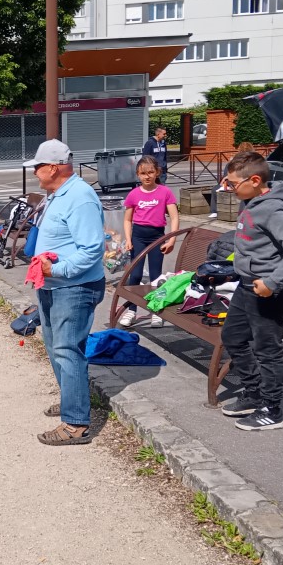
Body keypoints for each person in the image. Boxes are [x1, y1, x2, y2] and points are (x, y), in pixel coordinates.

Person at [219, 151, 283, 432]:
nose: (228, 188)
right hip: (246, 286)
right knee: (232, 337)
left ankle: (272, 410)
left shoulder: (273, 210)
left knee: (267, 350)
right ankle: (254, 392)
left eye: (233, 183)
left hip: (267, 290)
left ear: (255, 180)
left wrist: (271, 282)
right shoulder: (250, 200)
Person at [28, 139, 105, 446]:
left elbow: (91, 250)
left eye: (37, 167)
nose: (35, 174)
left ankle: (76, 425)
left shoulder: (80, 198)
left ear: (53, 167)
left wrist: (55, 270)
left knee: (68, 350)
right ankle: (71, 399)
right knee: (54, 347)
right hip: (52, 286)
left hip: (74, 288)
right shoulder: (58, 194)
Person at [119, 155, 179, 328]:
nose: (147, 176)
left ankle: (155, 310)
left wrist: (172, 239)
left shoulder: (165, 192)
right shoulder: (134, 194)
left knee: (156, 275)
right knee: (135, 274)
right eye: (143, 173)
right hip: (138, 237)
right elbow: (127, 219)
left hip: (157, 237)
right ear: (138, 174)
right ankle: (131, 310)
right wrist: (128, 239)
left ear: (157, 172)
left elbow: (174, 217)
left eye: (151, 172)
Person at [209, 142, 254, 219]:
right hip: (232, 184)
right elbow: (226, 175)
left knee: (215, 189)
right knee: (215, 189)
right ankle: (214, 211)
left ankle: (214, 211)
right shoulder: (235, 162)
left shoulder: (251, 161)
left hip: (242, 184)